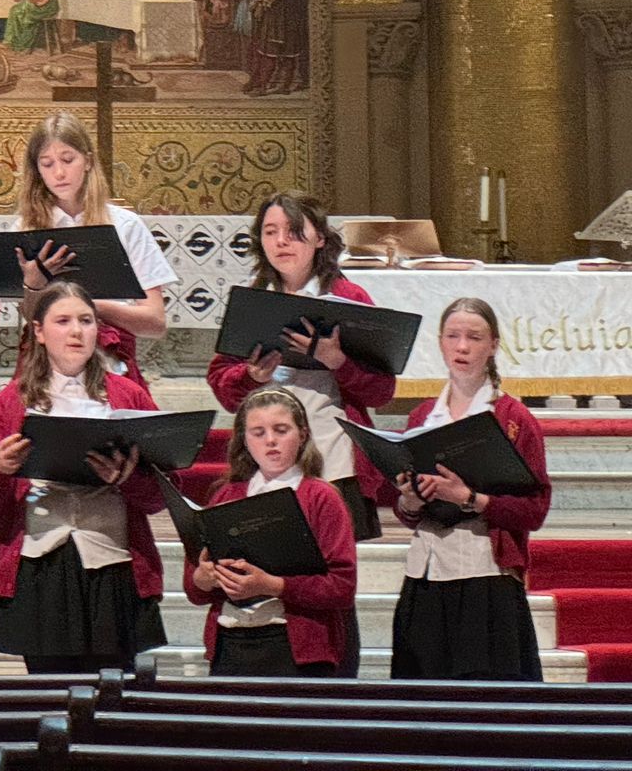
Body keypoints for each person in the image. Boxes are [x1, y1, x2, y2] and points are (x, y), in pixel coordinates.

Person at [206, 190, 393, 675]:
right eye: (270, 232)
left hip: (334, 460)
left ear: (318, 240)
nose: (282, 242)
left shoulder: (348, 298)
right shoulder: (254, 302)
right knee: (273, 563)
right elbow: (222, 385)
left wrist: (338, 362)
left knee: (330, 584)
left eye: (293, 232)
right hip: (268, 456)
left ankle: (334, 682)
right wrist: (252, 378)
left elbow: (381, 390)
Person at [0, 283, 167, 673]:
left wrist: (126, 478)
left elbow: (160, 495)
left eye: (86, 321)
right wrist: (0, 470)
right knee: (50, 691)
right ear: (39, 332)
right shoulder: (10, 402)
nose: (76, 331)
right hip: (42, 561)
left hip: (112, 558)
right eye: (63, 321)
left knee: (113, 689)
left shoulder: (129, 396)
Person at [391, 298, 551, 680]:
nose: (462, 347)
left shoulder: (513, 419)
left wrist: (468, 497)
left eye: (474, 337)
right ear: (441, 342)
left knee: (485, 697)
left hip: (485, 576)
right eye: (453, 336)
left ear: (493, 345)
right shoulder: (422, 416)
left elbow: (535, 509)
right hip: (425, 573)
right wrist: (409, 501)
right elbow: (407, 511)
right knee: (423, 699)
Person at [184, 386, 357, 677]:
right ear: (244, 439)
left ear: (302, 434)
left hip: (294, 647)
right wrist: (204, 578)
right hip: (231, 643)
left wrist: (272, 585)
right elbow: (194, 589)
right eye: (258, 432)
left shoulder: (321, 496)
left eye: (281, 430)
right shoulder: (226, 495)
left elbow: (341, 587)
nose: (271, 441)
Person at [11, 113, 174, 387]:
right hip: (45, 371)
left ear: (87, 161)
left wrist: (86, 308)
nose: (59, 173)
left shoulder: (125, 226)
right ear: (36, 170)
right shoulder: (25, 229)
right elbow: (31, 317)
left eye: (68, 160)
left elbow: (155, 322)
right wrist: (33, 286)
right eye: (47, 164)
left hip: (110, 365)